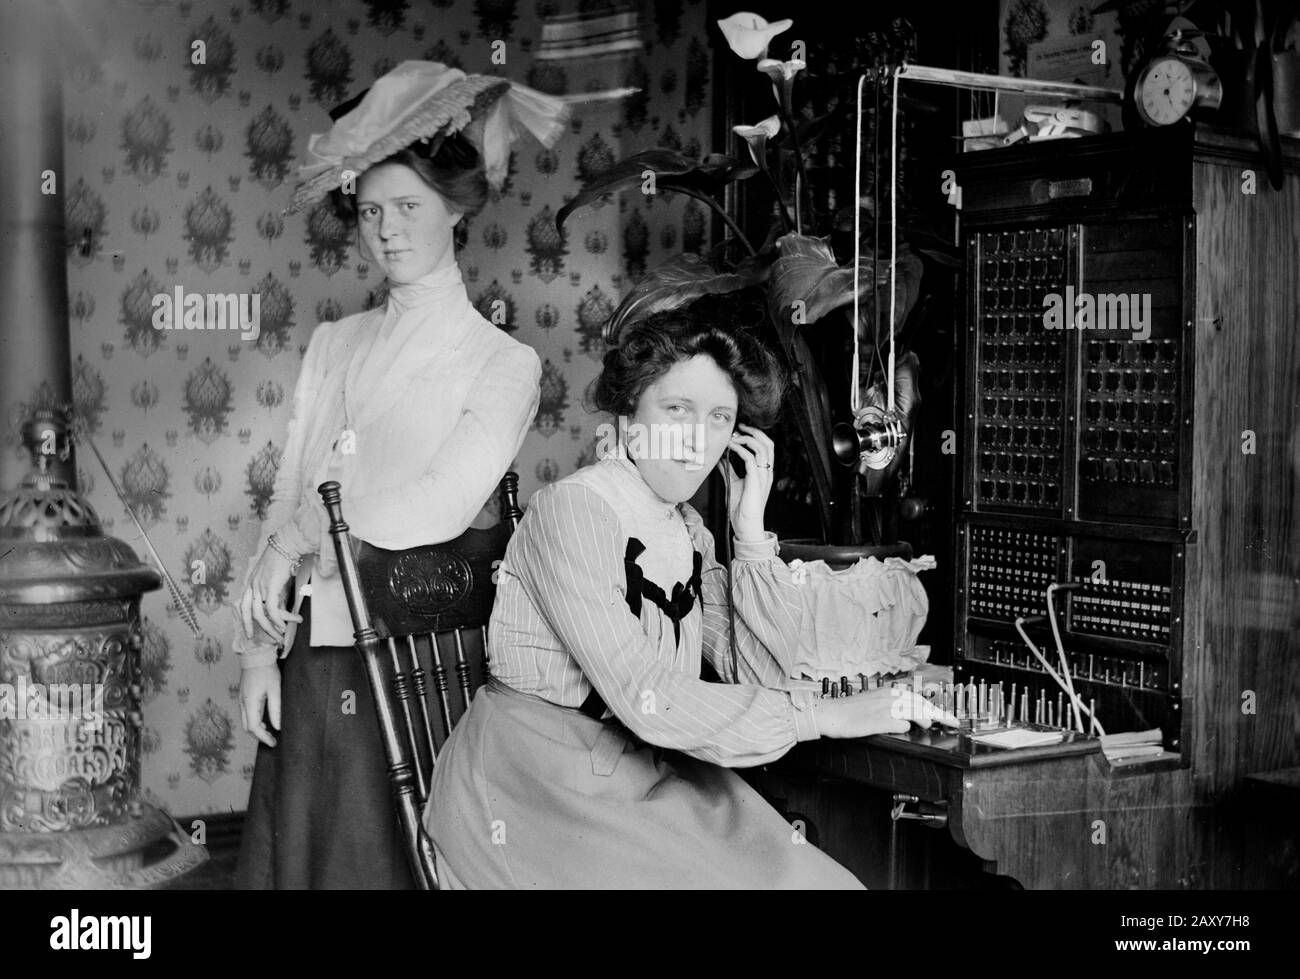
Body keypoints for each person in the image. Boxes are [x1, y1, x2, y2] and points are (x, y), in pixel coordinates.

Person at [427, 307, 958, 889]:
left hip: (642, 766)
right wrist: (824, 715)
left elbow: (761, 670)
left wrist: (751, 536)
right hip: (537, 784)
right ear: (630, 416)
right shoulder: (572, 510)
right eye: (677, 410)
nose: (696, 441)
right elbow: (643, 693)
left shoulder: (686, 528)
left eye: (719, 418)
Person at [232, 61, 566, 889]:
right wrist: (254, 653)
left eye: (408, 207)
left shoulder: (504, 362)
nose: (386, 229)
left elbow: (441, 503)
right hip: (317, 653)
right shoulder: (333, 344)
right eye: (371, 211)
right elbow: (284, 493)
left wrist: (305, 534)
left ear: (456, 208)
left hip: (418, 664)